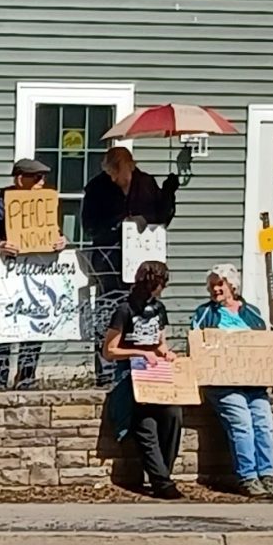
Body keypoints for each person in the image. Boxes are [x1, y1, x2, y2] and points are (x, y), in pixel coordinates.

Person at [82, 147, 179, 386]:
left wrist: (169, 192)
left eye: (116, 173)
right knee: (110, 312)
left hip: (141, 262)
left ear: (128, 166)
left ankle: (141, 366)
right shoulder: (97, 187)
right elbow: (89, 226)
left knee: (142, 311)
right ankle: (106, 372)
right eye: (110, 174)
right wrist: (121, 223)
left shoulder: (146, 183)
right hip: (109, 259)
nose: (114, 179)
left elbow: (162, 217)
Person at [0, 159, 67, 391]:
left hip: (39, 273)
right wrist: (0, 244)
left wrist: (61, 240)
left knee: (36, 322)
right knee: (7, 324)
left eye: (43, 178)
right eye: (36, 178)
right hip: (12, 274)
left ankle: (26, 377)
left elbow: (54, 232)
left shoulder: (45, 203)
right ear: (20, 179)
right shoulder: (4, 202)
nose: (41, 182)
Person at [194, 264, 273, 499]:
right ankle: (248, 477)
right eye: (212, 285)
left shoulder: (252, 313)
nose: (215, 289)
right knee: (242, 421)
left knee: (263, 422)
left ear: (232, 285)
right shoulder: (205, 313)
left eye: (220, 284)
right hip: (222, 383)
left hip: (253, 382)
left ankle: (267, 476)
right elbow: (197, 344)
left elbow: (268, 345)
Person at [103, 260, 184, 500]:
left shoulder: (159, 309)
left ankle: (164, 472)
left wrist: (166, 353)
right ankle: (162, 483)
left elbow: (160, 343)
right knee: (145, 422)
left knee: (173, 415)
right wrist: (139, 353)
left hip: (155, 372)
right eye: (161, 284)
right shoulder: (124, 310)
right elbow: (109, 350)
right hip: (130, 373)